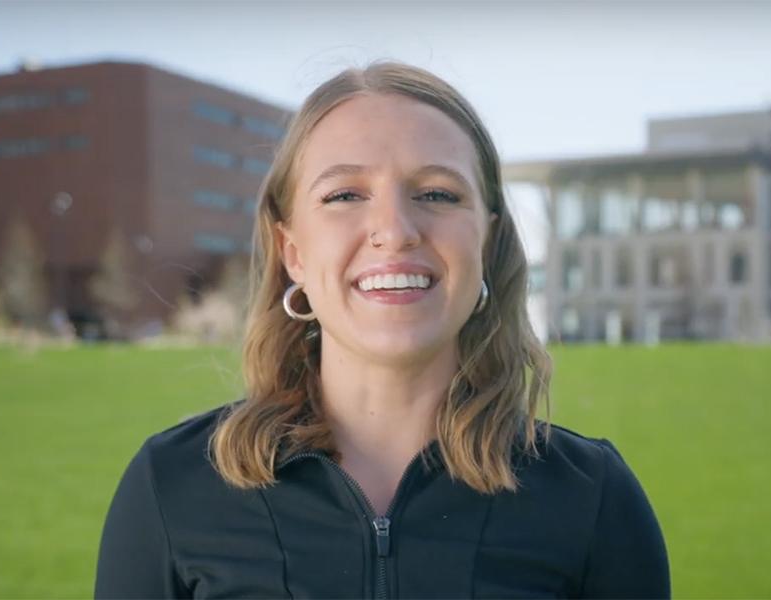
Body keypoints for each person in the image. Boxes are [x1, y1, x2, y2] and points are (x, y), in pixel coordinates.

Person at [95, 62, 670, 599]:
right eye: (345, 195)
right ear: (292, 251)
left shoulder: (592, 498)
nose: (395, 231)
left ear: (487, 244)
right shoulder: (171, 488)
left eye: (437, 194)